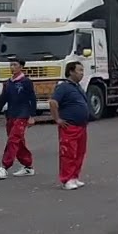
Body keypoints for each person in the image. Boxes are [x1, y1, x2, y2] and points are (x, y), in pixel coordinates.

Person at [0, 59, 37, 179]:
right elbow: (3, 99)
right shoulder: (8, 83)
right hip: (11, 114)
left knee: (13, 139)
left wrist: (32, 116)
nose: (12, 67)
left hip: (23, 114)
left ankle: (4, 167)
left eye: (15, 65)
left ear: (21, 67)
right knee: (18, 142)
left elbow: (32, 98)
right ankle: (28, 166)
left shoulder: (26, 82)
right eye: (11, 65)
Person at [50, 61, 92, 190]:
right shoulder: (63, 87)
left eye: (82, 70)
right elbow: (53, 102)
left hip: (81, 126)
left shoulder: (77, 86)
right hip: (69, 126)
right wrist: (57, 119)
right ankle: (66, 179)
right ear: (71, 71)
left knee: (80, 152)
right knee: (68, 153)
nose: (82, 73)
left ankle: (74, 176)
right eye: (79, 70)